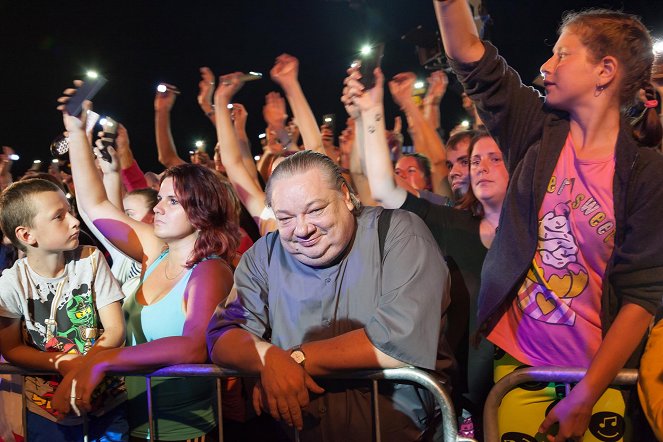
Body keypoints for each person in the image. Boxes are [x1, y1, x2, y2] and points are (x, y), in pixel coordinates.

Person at [433, 1, 663, 440]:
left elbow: (641, 297)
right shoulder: (537, 132)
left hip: (601, 382)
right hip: (520, 373)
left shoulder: (645, 173)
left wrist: (586, 395)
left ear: (605, 70)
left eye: (563, 54)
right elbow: (467, 54)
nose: (546, 65)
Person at [207, 150, 451, 441]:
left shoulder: (398, 233)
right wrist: (268, 358)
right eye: (285, 218)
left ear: (345, 195)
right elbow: (223, 335)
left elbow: (398, 338)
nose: (303, 229)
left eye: (315, 210)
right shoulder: (264, 254)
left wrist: (293, 360)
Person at [51, 93, 238, 441]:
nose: (159, 208)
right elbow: (95, 206)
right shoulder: (156, 252)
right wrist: (77, 134)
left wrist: (103, 360)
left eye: (171, 200)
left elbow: (193, 346)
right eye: (159, 198)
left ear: (202, 209)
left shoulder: (210, 270)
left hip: (183, 432)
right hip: (136, 424)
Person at [344, 64, 507, 438]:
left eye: (495, 158)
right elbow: (383, 188)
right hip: (464, 398)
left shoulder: (542, 233)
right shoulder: (452, 224)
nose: (481, 167)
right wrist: (371, 109)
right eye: (475, 160)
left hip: (527, 386)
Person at [0, 178, 128, 442]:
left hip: (106, 402)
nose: (74, 221)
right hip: (46, 411)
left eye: (70, 210)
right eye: (59, 216)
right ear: (26, 235)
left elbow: (115, 329)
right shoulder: (10, 284)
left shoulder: (90, 260)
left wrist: (78, 374)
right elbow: (11, 348)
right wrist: (64, 364)